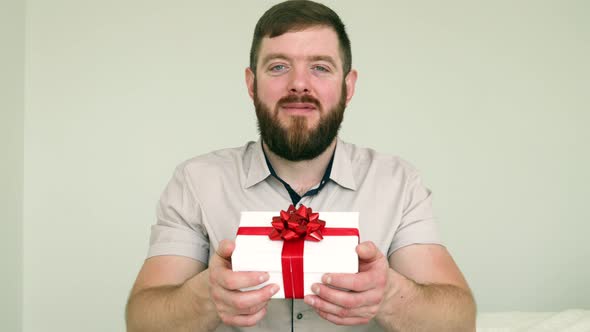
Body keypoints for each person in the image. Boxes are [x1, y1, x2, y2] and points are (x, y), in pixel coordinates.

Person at [125, 1, 476, 331]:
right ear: (251, 84)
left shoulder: (397, 182)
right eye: (278, 66)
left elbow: (459, 319)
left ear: (348, 86)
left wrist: (388, 295)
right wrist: (205, 296)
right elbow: (142, 319)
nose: (298, 84)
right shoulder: (196, 181)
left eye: (320, 68)